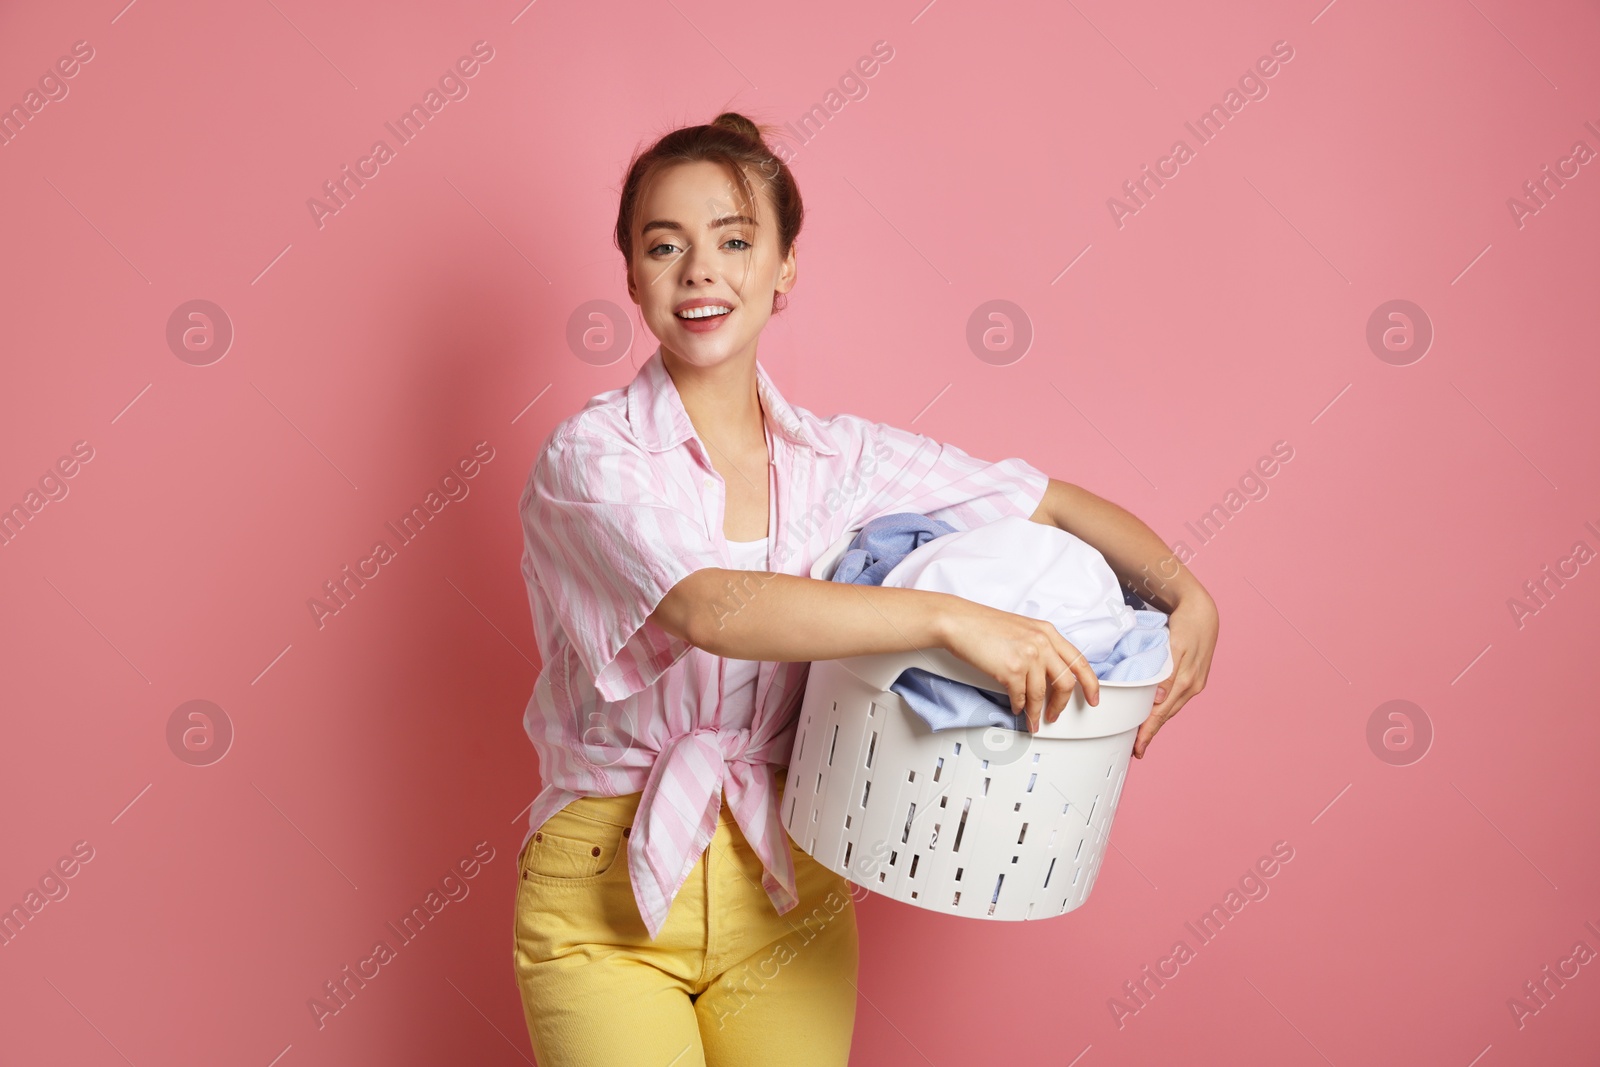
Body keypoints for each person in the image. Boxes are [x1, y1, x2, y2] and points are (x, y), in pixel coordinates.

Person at [511, 111, 1219, 1067]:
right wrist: (949, 619)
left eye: (734, 240)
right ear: (632, 276)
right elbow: (709, 606)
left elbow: (1046, 501)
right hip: (606, 878)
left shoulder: (847, 461)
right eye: (663, 244)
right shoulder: (592, 455)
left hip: (789, 873)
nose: (699, 270)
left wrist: (1188, 596)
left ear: (784, 268)